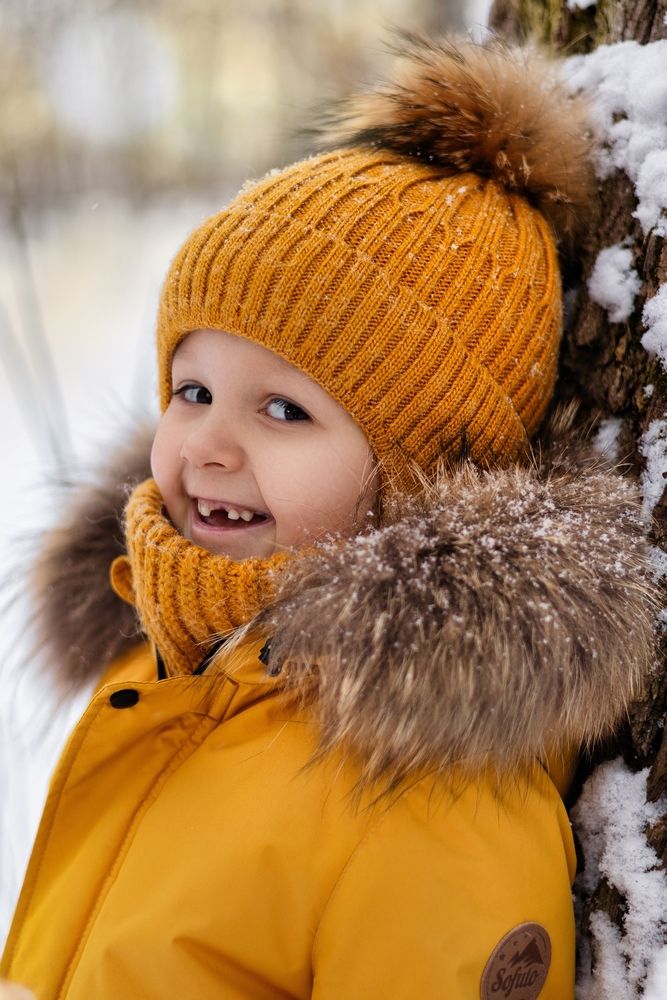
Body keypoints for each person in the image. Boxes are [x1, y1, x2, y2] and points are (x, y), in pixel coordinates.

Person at [0, 35, 657, 1000]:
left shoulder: (429, 795)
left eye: (283, 411)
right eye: (190, 389)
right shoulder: (167, 666)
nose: (208, 445)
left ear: (423, 474)